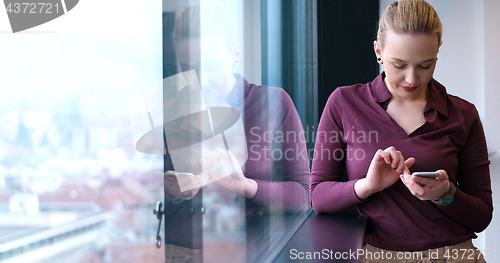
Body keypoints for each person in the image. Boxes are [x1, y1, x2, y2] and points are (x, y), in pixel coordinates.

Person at [310, 0, 492, 262]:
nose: (411, 79)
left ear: (438, 52)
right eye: (398, 65)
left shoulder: (464, 114)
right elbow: (318, 196)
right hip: (375, 255)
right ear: (378, 51)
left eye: (425, 65)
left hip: (454, 255)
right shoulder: (344, 103)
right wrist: (367, 186)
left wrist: (446, 194)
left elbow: (482, 215)